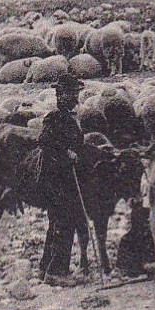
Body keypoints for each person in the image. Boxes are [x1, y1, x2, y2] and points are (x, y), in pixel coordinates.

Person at [38, 74, 87, 282]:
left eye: (76, 93)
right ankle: (56, 272)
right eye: (72, 93)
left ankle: (45, 267)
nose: (75, 97)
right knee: (63, 222)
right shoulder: (54, 118)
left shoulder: (70, 117)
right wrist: (66, 152)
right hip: (56, 179)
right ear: (60, 95)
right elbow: (44, 141)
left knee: (58, 222)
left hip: (66, 178)